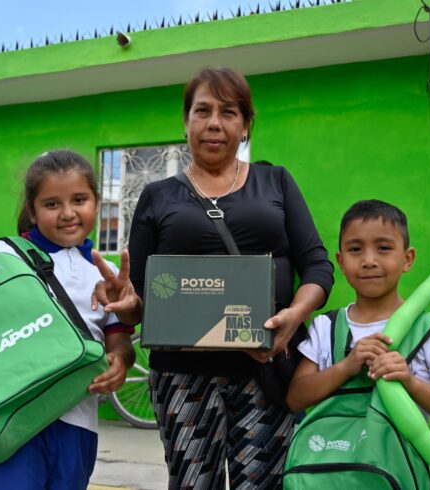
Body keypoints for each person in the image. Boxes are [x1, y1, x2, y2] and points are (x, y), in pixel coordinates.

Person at [97, 67, 334, 488]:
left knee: (261, 484)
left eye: (228, 112)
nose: (214, 123)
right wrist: (128, 304)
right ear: (186, 121)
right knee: (192, 483)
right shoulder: (157, 196)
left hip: (264, 371)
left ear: (245, 125)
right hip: (182, 376)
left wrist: (295, 315)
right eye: (202, 111)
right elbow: (141, 302)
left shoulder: (276, 182)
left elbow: (317, 264)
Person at [0, 150, 138, 490]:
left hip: (77, 424)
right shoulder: (3, 255)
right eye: (51, 204)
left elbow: (119, 340)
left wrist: (121, 361)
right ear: (32, 211)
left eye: (79, 200)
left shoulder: (103, 272)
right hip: (5, 421)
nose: (68, 213)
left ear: (97, 202)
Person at [286, 199, 430, 432]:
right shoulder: (326, 326)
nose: (369, 261)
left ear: (407, 259)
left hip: (396, 457)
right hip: (331, 455)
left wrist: (410, 382)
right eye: (355, 249)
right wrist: (345, 367)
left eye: (384, 248)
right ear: (341, 262)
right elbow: (295, 398)